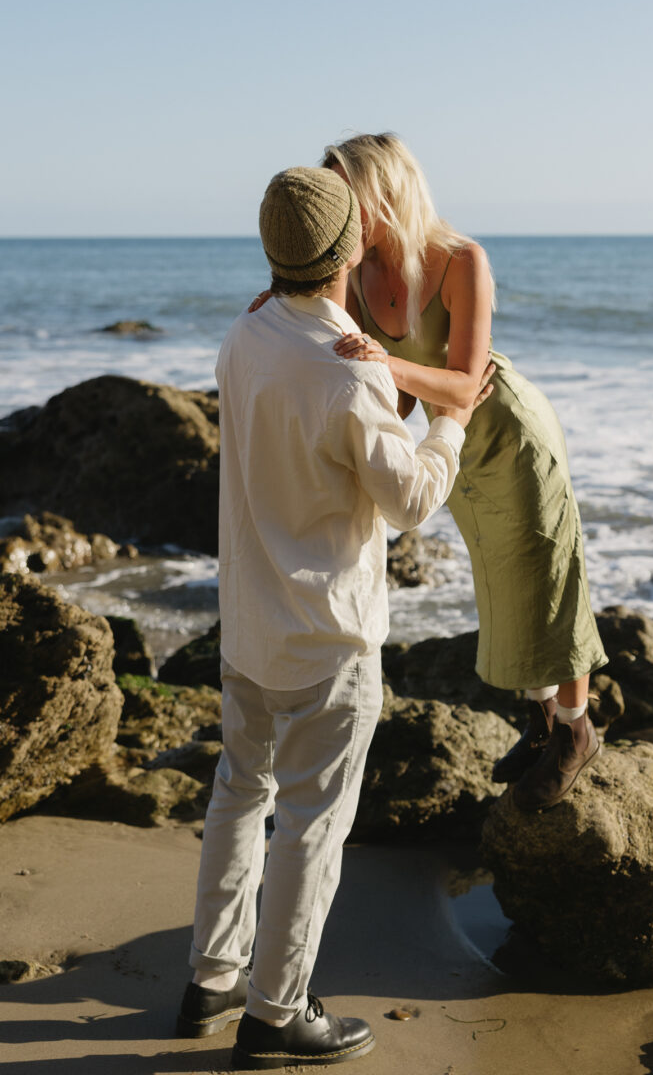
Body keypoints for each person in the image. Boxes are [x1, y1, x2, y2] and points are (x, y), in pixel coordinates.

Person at [177, 166, 493, 1070]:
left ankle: (211, 979)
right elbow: (410, 503)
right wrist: (451, 422)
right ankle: (276, 1018)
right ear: (352, 248)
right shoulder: (345, 373)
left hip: (248, 623)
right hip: (328, 635)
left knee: (240, 796)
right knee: (312, 823)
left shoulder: (243, 338)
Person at [321, 133, 608, 813]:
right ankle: (539, 724)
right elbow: (392, 396)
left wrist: (381, 364)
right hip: (455, 449)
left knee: (549, 574)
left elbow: (460, 383)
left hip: (510, 433)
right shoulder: (361, 274)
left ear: (382, 191)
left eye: (344, 192)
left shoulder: (460, 260)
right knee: (501, 581)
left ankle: (577, 732)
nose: (337, 207)